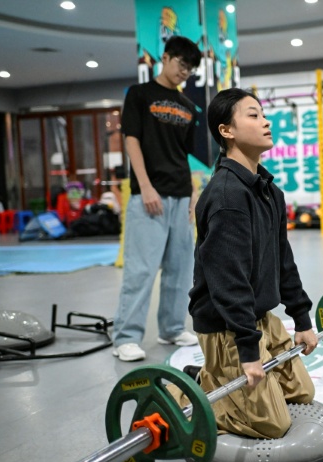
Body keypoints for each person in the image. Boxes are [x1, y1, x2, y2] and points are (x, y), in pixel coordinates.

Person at [181, 88, 318, 439]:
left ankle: (212, 374)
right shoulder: (227, 196)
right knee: (273, 423)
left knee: (303, 393)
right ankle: (188, 390)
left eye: (263, 114)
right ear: (227, 131)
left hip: (259, 317)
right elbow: (229, 281)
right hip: (225, 324)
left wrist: (302, 319)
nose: (266, 121)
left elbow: (283, 260)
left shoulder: (269, 191)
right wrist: (246, 349)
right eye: (253, 115)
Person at [112, 36, 202, 362]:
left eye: (190, 69)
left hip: (181, 194)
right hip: (149, 195)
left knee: (180, 268)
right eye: (181, 64)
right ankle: (125, 337)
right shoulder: (139, 95)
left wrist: (193, 193)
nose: (185, 73)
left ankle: (172, 328)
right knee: (141, 270)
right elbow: (131, 141)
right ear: (165, 57)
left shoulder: (189, 107)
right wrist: (145, 186)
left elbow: (184, 155)